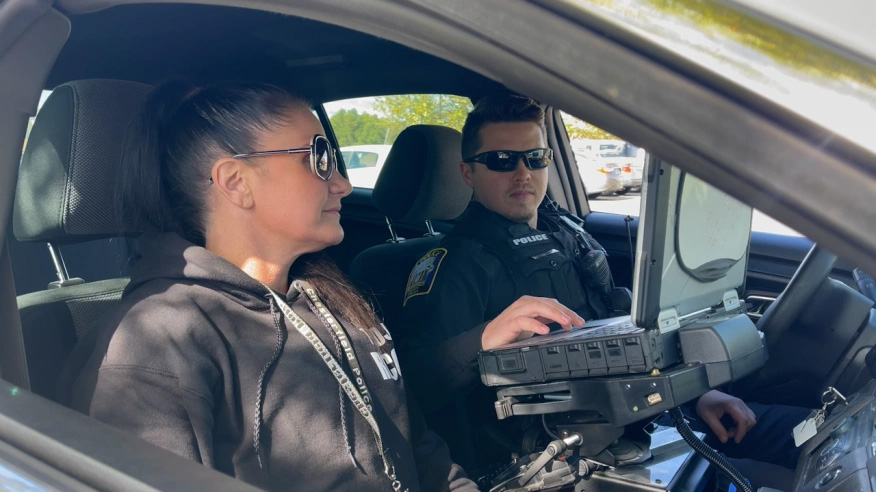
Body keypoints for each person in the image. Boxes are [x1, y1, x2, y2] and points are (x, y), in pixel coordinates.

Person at [60, 81, 490, 491]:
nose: (341, 183)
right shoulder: (155, 343)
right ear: (236, 182)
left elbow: (421, 454)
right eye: (319, 158)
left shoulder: (334, 300)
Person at [398, 94, 807, 474]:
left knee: (813, 435)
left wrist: (693, 397)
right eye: (502, 160)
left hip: (640, 415)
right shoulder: (454, 265)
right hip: (552, 455)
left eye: (535, 158)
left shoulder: (567, 234)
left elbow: (624, 341)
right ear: (468, 172)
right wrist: (484, 338)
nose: (523, 173)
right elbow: (411, 392)